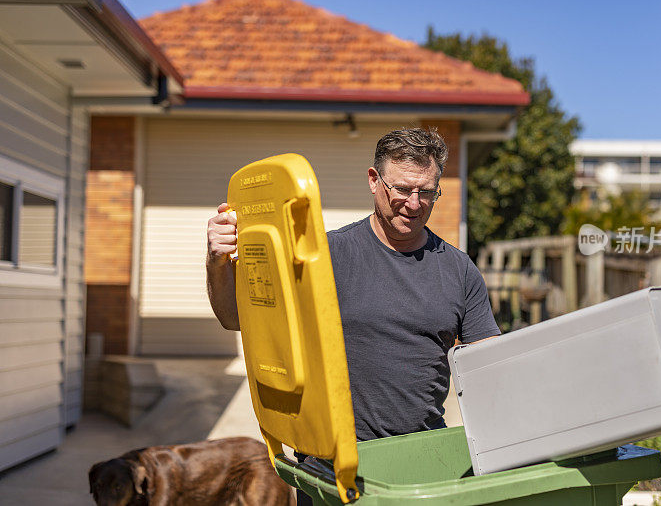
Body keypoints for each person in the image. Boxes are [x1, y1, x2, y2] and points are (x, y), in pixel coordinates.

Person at [206, 127, 499, 441]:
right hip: (332, 456)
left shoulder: (459, 269)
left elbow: (490, 367)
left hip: (423, 452)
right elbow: (233, 317)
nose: (414, 205)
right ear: (374, 180)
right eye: (401, 189)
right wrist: (217, 260)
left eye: (426, 192)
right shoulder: (325, 256)